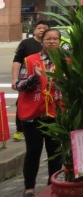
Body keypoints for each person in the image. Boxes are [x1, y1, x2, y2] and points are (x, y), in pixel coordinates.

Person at [16, 28, 63, 196]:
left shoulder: (68, 61)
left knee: (55, 154)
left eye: (55, 39)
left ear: (60, 42)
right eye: (48, 39)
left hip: (56, 115)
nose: (51, 42)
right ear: (41, 42)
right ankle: (29, 188)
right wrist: (33, 78)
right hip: (33, 115)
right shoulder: (29, 60)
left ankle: (53, 186)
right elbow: (18, 85)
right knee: (33, 152)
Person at [11, 20, 50, 142]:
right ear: (34, 30)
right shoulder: (26, 43)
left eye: (45, 28)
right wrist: (14, 79)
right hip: (28, 82)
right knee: (22, 103)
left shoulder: (51, 44)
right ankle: (20, 129)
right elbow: (17, 61)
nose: (42, 30)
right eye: (39, 27)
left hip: (47, 84)